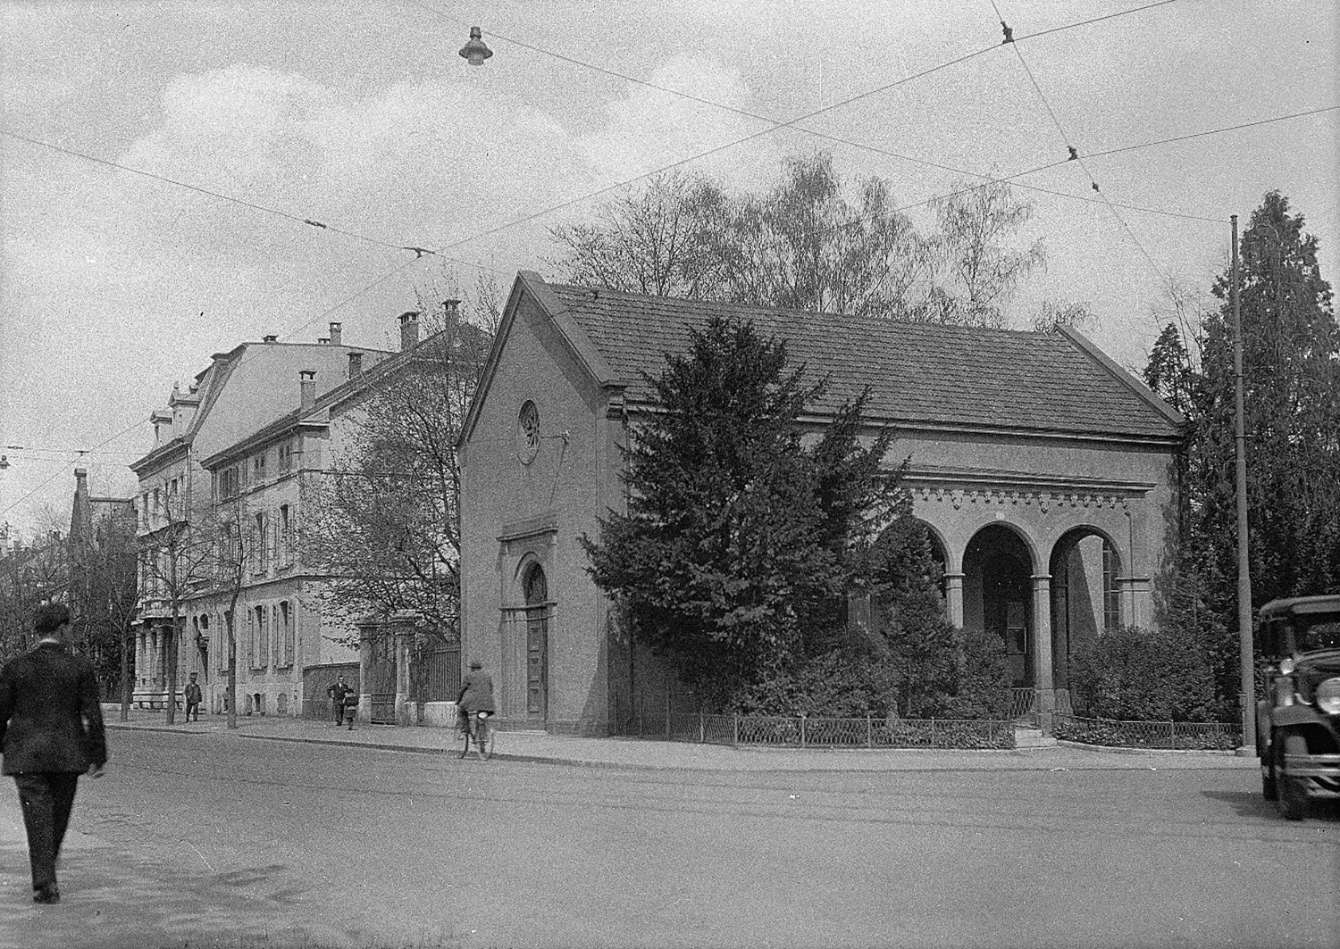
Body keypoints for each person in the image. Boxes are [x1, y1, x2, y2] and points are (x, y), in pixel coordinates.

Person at [0, 602, 107, 905]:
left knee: (37, 818)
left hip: (26, 757)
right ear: (62, 629)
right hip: (66, 756)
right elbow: (92, 715)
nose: (72, 632)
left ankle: (44, 878)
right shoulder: (79, 666)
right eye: (71, 626)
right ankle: (45, 881)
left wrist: (4, 744)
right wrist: (97, 754)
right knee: (57, 819)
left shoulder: (15, 666)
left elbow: (0, 712)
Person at [456, 660, 496, 736]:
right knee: (482, 714)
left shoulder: (469, 676)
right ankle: (487, 731)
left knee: (461, 711)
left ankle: (465, 729)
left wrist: (458, 701)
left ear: (472, 668)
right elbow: (491, 689)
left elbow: (462, 690)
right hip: (488, 703)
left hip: (472, 701)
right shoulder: (487, 676)